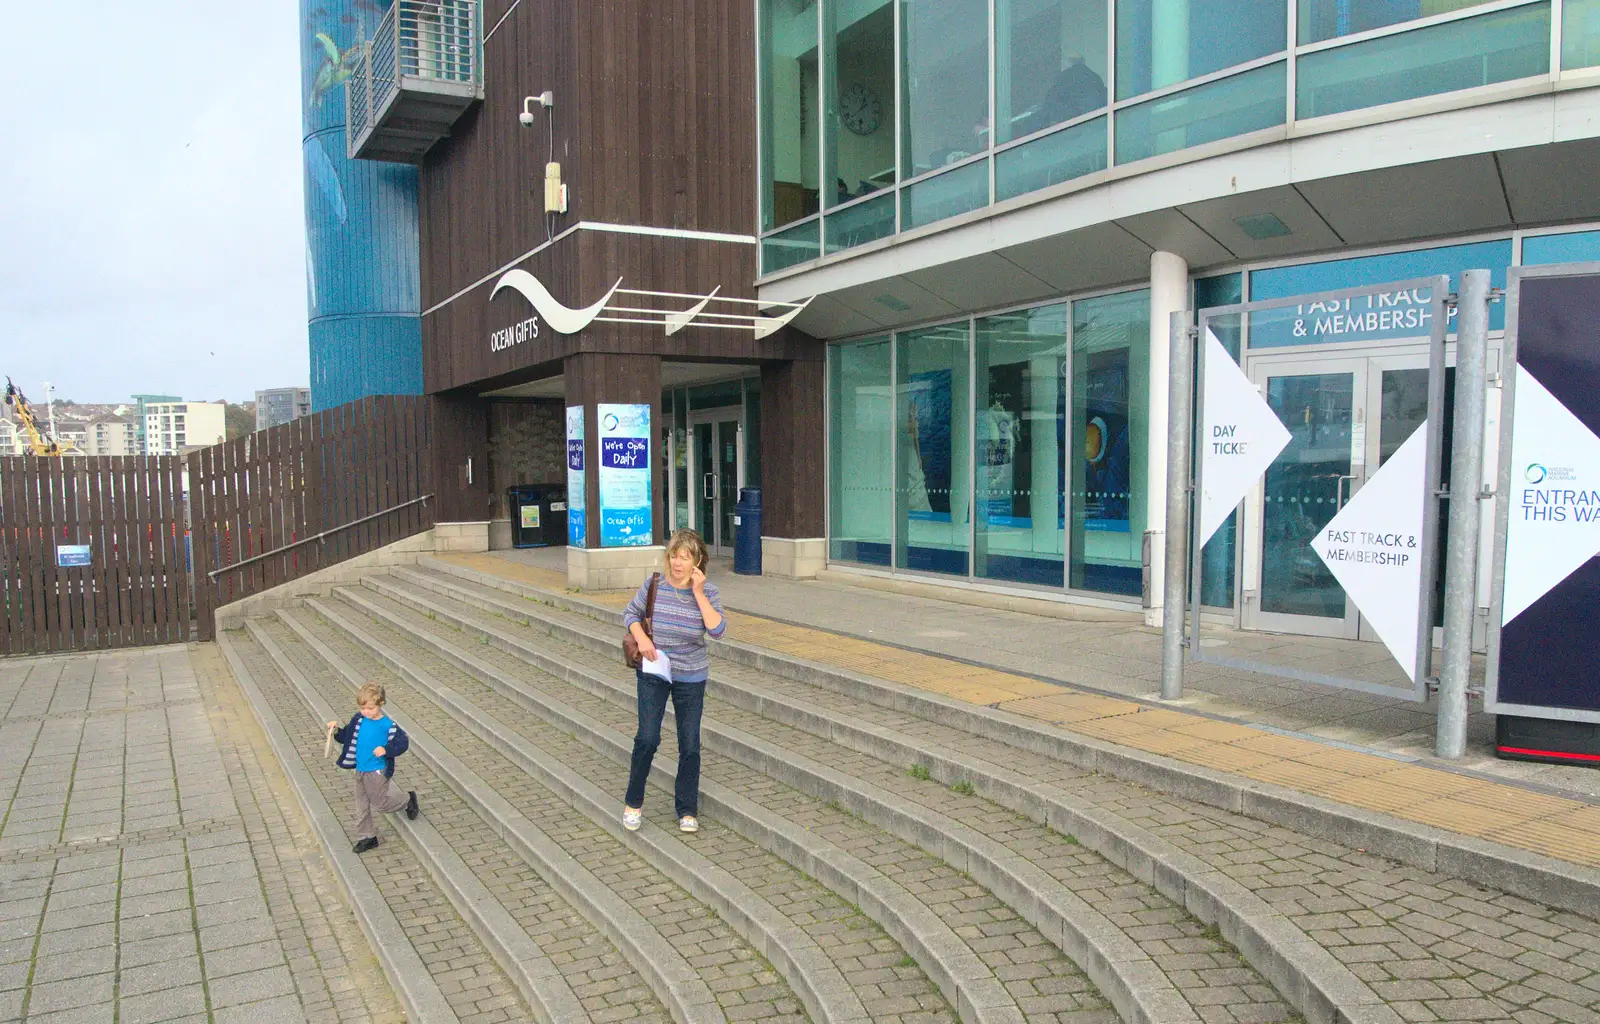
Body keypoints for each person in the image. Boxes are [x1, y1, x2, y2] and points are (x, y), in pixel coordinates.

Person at [621, 528, 726, 834]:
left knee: (690, 743)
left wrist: (697, 592)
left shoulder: (709, 593)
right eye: (674, 555)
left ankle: (687, 809)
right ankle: (633, 802)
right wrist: (641, 639)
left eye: (685, 556)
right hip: (655, 672)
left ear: (697, 561)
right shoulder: (654, 585)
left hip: (691, 676)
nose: (678, 563)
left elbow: (718, 630)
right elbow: (630, 613)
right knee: (648, 738)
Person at [327, 681, 418, 853]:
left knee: (381, 804)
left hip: (377, 771)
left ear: (381, 704)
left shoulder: (387, 725)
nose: (366, 712)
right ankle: (367, 837)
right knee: (361, 805)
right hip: (360, 770)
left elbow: (402, 743)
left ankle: (407, 799)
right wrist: (336, 731)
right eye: (363, 708)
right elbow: (346, 737)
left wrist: (386, 749)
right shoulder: (358, 720)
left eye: (370, 708)